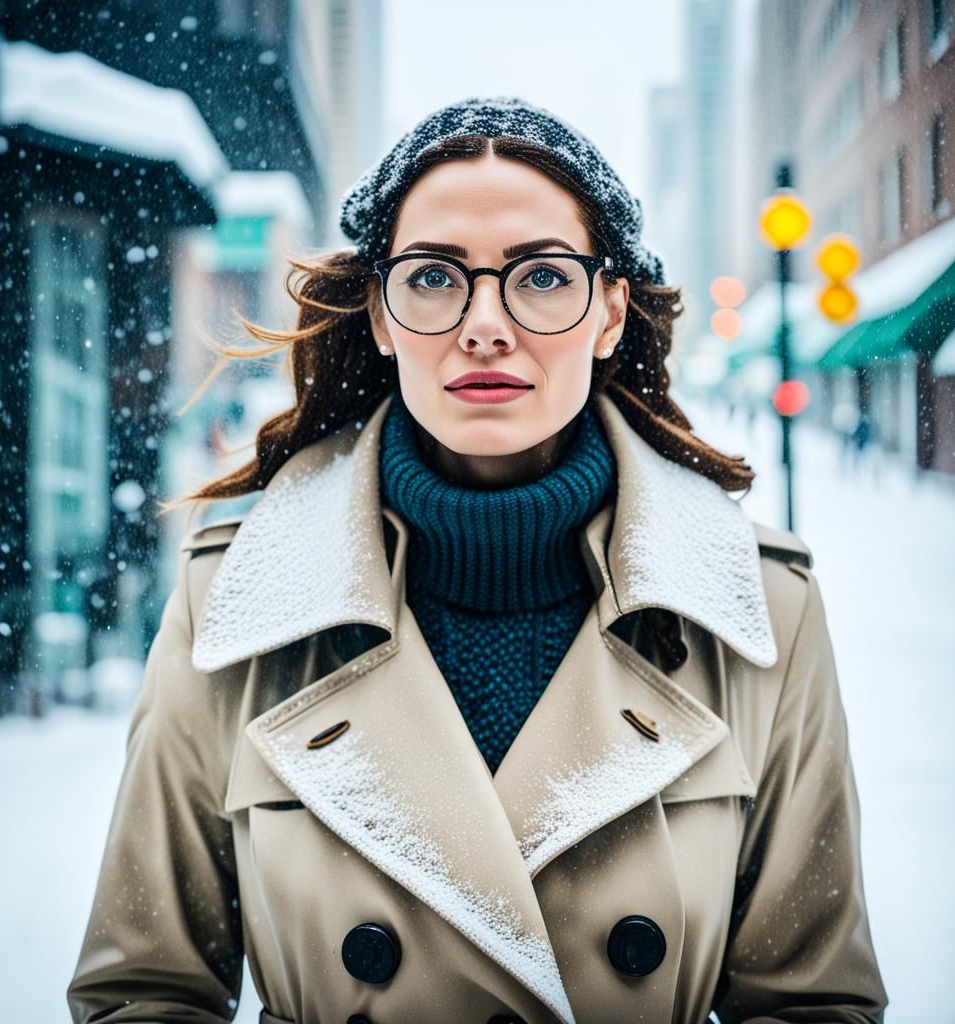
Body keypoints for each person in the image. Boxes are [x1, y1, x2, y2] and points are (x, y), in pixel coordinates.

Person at [67, 97, 888, 1024]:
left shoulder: (760, 611)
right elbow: (143, 988)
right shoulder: (235, 601)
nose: (485, 324)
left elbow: (813, 999)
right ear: (379, 313)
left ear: (610, 312)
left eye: (542, 277)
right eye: (433, 278)